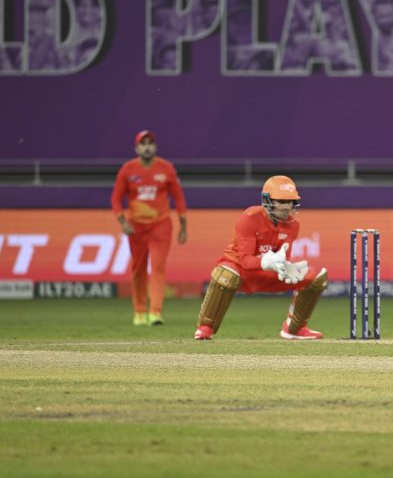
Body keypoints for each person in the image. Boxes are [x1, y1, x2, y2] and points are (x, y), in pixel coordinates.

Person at [194, 175, 326, 341]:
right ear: (267, 200)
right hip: (240, 271)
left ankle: (294, 329)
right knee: (225, 275)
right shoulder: (249, 218)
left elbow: (282, 256)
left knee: (314, 277)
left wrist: (286, 268)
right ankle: (205, 327)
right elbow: (245, 260)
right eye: (281, 201)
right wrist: (266, 262)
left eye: (290, 202)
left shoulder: (293, 225)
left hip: (265, 274)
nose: (287, 207)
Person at [111, 130, 188, 326]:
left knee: (158, 266)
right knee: (138, 269)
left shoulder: (166, 168)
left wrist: (183, 225)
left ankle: (155, 312)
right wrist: (123, 222)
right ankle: (139, 312)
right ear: (137, 148)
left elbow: (178, 197)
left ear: (155, 147)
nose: (147, 146)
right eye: (143, 143)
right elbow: (116, 199)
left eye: (150, 143)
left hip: (160, 225)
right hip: (136, 227)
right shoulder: (128, 170)